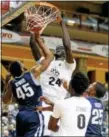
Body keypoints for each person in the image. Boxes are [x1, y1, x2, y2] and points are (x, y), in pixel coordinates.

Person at [30, 19, 76, 135]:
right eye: (58, 48)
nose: (61, 48)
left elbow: (67, 45)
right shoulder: (48, 62)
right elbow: (33, 45)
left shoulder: (69, 66)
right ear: (55, 53)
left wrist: (62, 24)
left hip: (57, 106)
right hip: (42, 102)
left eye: (63, 49)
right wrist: (33, 30)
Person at [2, 33, 53, 137]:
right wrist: (38, 39)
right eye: (22, 64)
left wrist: (6, 82)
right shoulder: (33, 73)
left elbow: (5, 101)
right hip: (34, 114)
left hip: (21, 115)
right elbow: (50, 57)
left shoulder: (12, 83)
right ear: (21, 69)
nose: (23, 65)